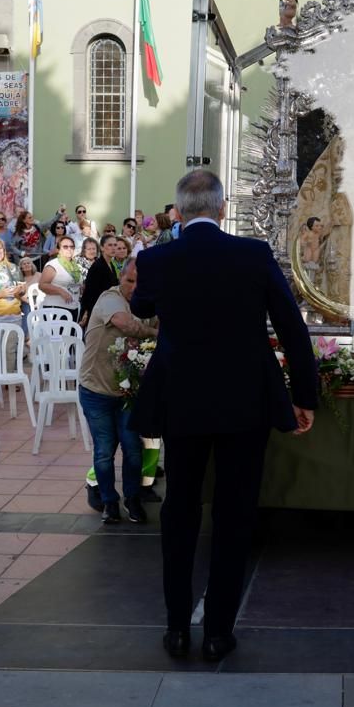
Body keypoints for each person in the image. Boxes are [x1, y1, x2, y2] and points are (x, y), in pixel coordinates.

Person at [129, 170, 318, 661]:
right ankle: (217, 633)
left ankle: (175, 628)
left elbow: (143, 303)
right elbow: (292, 328)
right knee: (235, 515)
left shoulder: (156, 259)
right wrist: (305, 395)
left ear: (178, 212)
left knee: (180, 512)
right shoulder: (252, 255)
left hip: (182, 401)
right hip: (245, 402)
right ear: (222, 207)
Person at [79, 257, 158, 522]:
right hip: (96, 389)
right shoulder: (109, 298)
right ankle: (109, 503)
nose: (135, 287)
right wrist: (155, 333)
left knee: (133, 449)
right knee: (104, 451)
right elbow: (125, 323)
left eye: (141, 282)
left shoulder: (150, 303)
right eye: (130, 280)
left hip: (127, 392)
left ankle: (133, 500)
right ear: (120, 279)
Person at [37, 235, 82, 315]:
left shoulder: (75, 266)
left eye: (72, 247)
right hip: (55, 309)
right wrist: (61, 291)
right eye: (65, 247)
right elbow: (42, 285)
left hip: (73, 308)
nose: (69, 249)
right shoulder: (53, 264)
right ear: (58, 249)